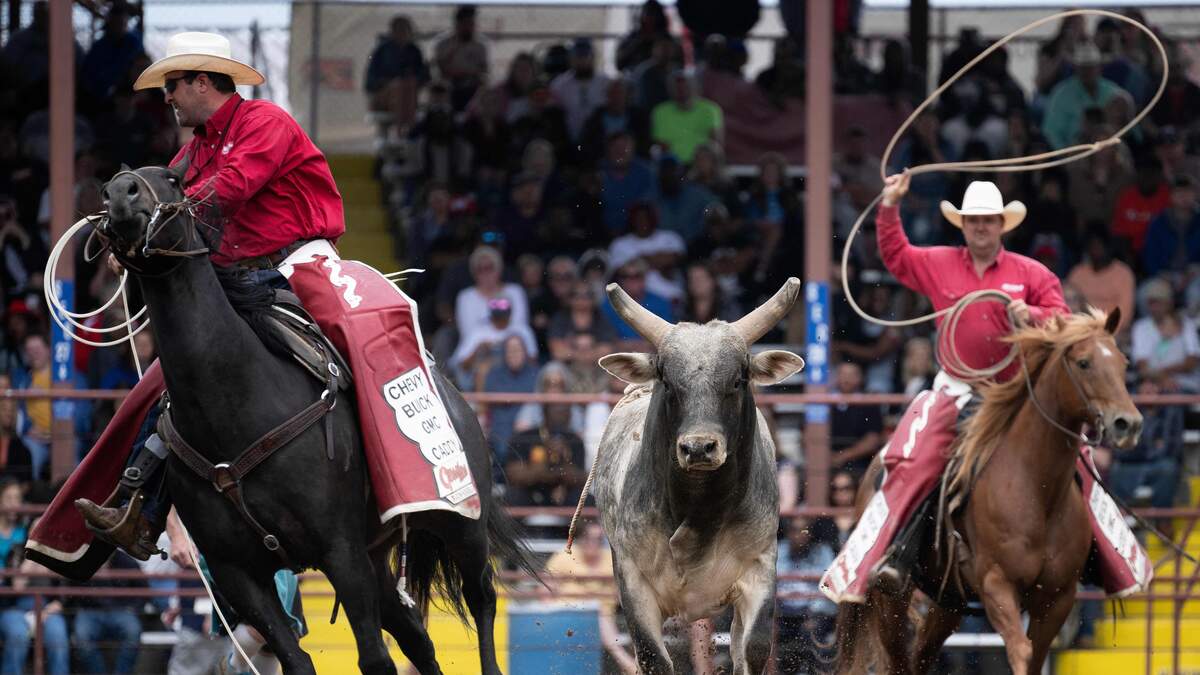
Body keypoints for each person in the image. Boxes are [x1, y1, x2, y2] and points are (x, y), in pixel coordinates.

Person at [63, 32, 467, 572]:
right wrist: (131, 235)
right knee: (177, 380)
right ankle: (141, 506)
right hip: (237, 278)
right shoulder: (200, 143)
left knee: (362, 350)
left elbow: (229, 189)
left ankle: (405, 474)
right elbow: (169, 190)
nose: (167, 98)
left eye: (173, 85)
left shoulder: (265, 125)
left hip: (299, 268)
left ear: (202, 81)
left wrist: (162, 219)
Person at [821, 172, 1071, 602]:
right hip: (956, 388)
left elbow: (1063, 321)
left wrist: (1030, 315)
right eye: (973, 219)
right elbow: (896, 255)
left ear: (1001, 224)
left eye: (988, 219)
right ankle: (897, 554)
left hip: (1015, 392)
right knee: (914, 461)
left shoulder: (1030, 273)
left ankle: (1082, 555)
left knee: (1074, 456)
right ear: (963, 224)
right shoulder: (938, 263)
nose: (980, 226)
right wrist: (890, 205)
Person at [544, 522, 637, 674]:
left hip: (605, 616)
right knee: (595, 611)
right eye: (588, 538)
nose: (593, 543)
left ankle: (631, 663)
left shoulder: (611, 558)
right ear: (580, 539)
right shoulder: (565, 555)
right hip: (568, 613)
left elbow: (625, 591)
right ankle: (627, 664)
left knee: (598, 612)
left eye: (598, 539)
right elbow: (544, 591)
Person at [1042, 43, 1125, 150]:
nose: (1087, 72)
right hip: (1074, 153)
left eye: (1091, 67)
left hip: (1108, 152)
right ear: (1076, 68)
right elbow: (1051, 133)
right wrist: (1065, 155)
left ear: (1099, 67)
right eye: (1083, 67)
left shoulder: (1112, 91)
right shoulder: (1061, 94)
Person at [364, 15, 429, 132]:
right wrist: (387, 82)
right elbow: (370, 81)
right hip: (383, 96)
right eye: (399, 29)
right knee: (398, 86)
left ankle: (410, 131)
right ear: (392, 31)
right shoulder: (382, 51)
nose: (402, 33)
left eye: (405, 30)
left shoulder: (414, 51)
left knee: (409, 84)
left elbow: (424, 76)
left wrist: (414, 78)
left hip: (409, 94)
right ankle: (401, 131)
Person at [1066, 224, 1135, 333]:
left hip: (1112, 332)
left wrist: (1106, 332)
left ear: (1108, 247)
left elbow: (1124, 314)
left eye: (1099, 245)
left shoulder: (1123, 274)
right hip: (1080, 331)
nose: (1095, 250)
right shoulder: (1077, 273)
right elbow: (1067, 304)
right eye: (1092, 246)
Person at [650, 69, 722, 164]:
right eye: (678, 87)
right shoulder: (660, 112)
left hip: (702, 165)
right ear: (670, 90)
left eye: (686, 87)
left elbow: (714, 144)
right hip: (673, 165)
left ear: (695, 88)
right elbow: (662, 145)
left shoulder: (710, 109)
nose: (682, 91)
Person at [549, 38, 609, 144]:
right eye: (578, 57)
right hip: (569, 140)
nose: (582, 61)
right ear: (571, 59)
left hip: (600, 140)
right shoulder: (559, 85)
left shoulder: (605, 83)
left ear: (592, 57)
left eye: (585, 56)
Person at [434, 4, 488, 111]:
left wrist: (471, 74)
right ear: (457, 24)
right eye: (465, 23)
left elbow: (483, 70)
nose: (469, 27)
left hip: (473, 86)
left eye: (471, 23)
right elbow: (442, 70)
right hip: (450, 86)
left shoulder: (480, 45)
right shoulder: (444, 43)